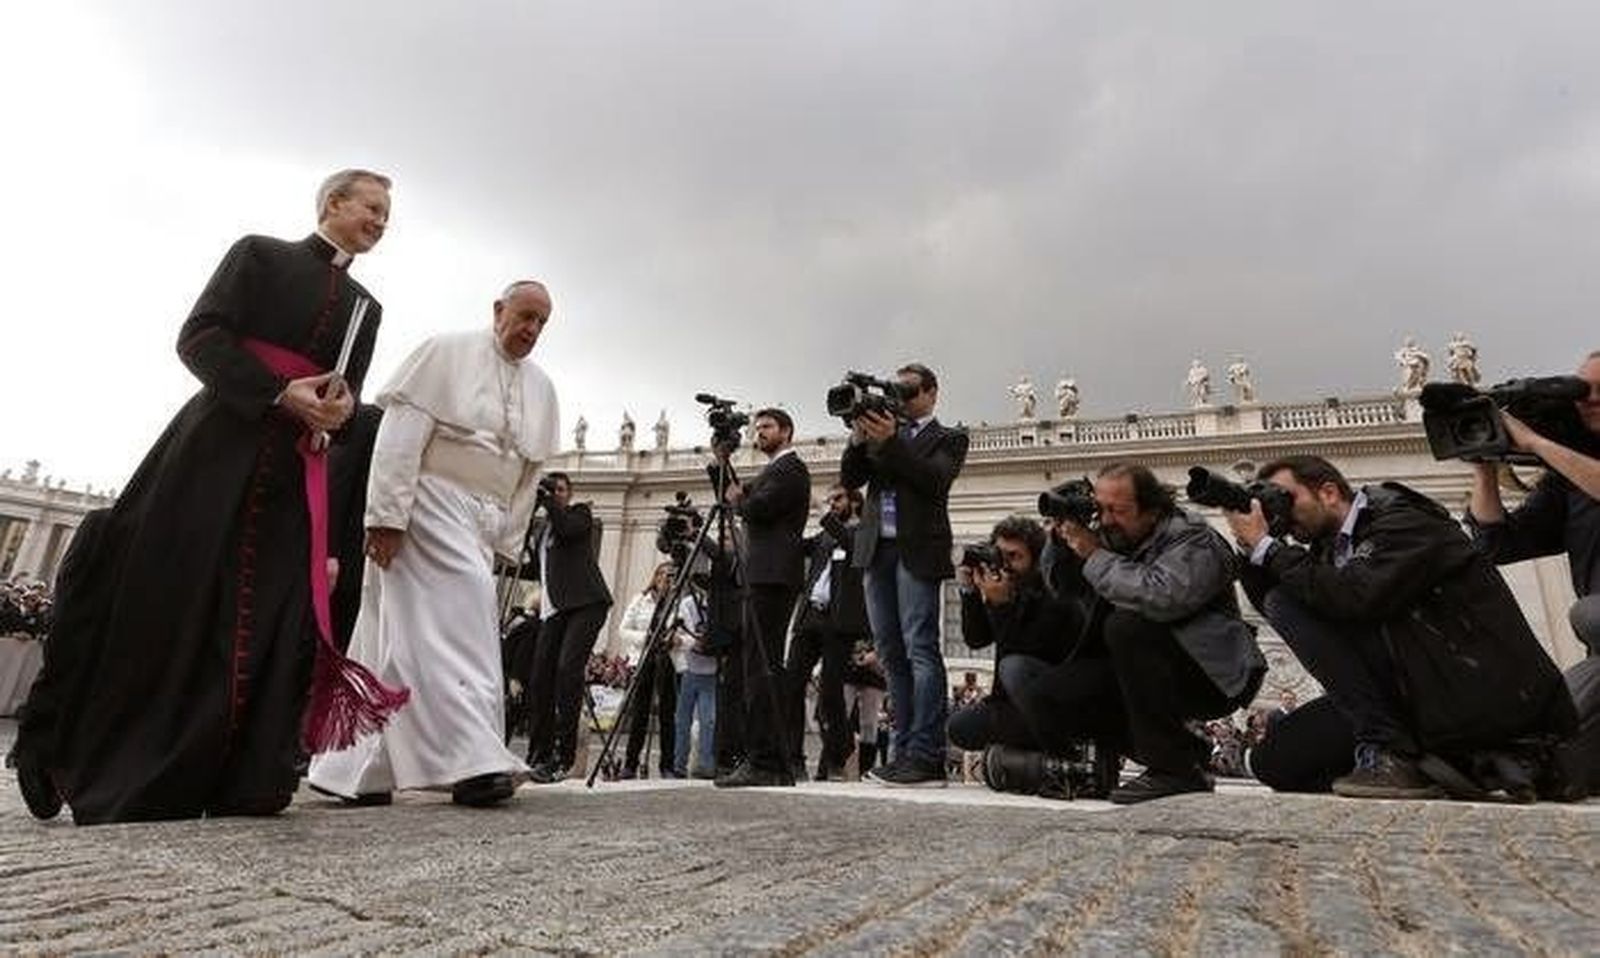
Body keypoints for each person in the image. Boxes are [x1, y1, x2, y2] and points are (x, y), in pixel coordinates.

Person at [13, 169, 403, 824]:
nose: (381, 221)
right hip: (214, 448)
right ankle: (71, 748)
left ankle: (239, 775)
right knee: (167, 596)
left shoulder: (370, 308)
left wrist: (334, 413)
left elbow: (346, 393)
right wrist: (278, 392)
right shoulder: (258, 254)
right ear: (332, 204)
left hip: (288, 477)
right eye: (372, 207)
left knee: (267, 616)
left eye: (387, 216)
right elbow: (198, 337)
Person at [306, 280, 560, 808]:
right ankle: (473, 761)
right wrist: (386, 516)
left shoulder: (541, 387)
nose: (532, 330)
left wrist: (504, 540)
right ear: (498, 310)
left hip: (479, 518)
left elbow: (526, 473)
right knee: (460, 627)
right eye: (525, 316)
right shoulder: (445, 353)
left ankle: (354, 769)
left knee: (398, 634)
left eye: (542, 322)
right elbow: (398, 438)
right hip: (431, 503)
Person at [1227, 455, 1575, 798]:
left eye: (1287, 499)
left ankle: (1403, 753)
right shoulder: (1323, 552)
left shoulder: (1404, 520)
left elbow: (1354, 596)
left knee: (1288, 604)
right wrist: (1252, 547)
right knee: (1273, 762)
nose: (1283, 511)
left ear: (1329, 493)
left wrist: (1269, 549)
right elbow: (1274, 603)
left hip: (1465, 686)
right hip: (1405, 694)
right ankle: (1435, 763)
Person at [1053, 463, 1266, 803]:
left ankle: (1173, 768)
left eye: (1117, 510)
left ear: (1151, 510)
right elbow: (1063, 591)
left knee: (1128, 624)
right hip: (1155, 663)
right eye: (1100, 508)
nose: (1105, 520)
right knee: (1056, 692)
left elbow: (1160, 596)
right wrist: (1062, 539)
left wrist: (1094, 554)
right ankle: (1184, 754)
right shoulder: (1115, 535)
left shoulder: (1193, 537)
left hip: (1213, 671)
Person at [840, 363, 969, 787]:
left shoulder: (949, 438)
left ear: (932, 393)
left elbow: (932, 480)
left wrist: (892, 440)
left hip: (917, 551)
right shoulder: (882, 434)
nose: (902, 399)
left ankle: (927, 753)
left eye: (909, 391)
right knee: (891, 655)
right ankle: (901, 752)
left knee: (920, 649)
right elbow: (851, 479)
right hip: (877, 550)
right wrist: (859, 438)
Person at [1465, 350, 1600, 655]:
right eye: (1581, 390)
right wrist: (1485, 467)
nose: (1590, 399)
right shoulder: (1567, 482)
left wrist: (1536, 444)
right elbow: (1497, 545)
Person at [716, 408, 811, 787]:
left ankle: (766, 759)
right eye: (757, 428)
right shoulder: (772, 471)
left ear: (787, 432)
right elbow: (734, 496)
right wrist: (722, 460)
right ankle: (762, 755)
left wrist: (740, 499)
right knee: (754, 664)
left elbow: (755, 507)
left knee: (762, 666)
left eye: (767, 427)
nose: (759, 433)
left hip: (773, 576)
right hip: (762, 574)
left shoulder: (791, 469)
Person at [946, 517, 1079, 756]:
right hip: (1009, 703)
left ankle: (1058, 752)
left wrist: (1001, 606)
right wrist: (970, 592)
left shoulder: (1054, 594)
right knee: (960, 726)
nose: (1004, 565)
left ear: (1036, 561)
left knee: (1013, 667)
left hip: (1048, 700)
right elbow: (976, 639)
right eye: (1000, 555)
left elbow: (1020, 653)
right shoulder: (1006, 589)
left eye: (1014, 557)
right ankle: (1025, 754)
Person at [524, 472, 614, 782]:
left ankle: (564, 756)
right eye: (551, 490)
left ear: (569, 493)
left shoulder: (580, 514)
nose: (556, 495)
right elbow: (530, 565)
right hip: (555, 609)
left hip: (587, 603)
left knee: (566, 670)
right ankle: (539, 753)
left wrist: (548, 501)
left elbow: (567, 527)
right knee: (539, 678)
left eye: (561, 490)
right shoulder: (542, 530)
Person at [785, 484, 869, 782]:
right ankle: (793, 757)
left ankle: (838, 755)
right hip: (810, 617)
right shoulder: (823, 536)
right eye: (830, 499)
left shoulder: (862, 532)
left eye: (838, 499)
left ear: (855, 503)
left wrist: (822, 512)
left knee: (831, 694)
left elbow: (850, 542)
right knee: (791, 683)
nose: (832, 503)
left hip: (839, 622)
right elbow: (796, 545)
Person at [616, 562, 679, 778]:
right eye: (662, 574)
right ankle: (630, 763)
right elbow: (623, 630)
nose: (666, 579)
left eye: (671, 576)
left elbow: (690, 634)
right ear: (655, 577)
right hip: (643, 658)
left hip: (668, 659)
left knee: (667, 714)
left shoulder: (680, 602)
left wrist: (678, 640)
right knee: (640, 713)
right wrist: (646, 639)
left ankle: (667, 765)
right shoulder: (640, 600)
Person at [671, 577, 720, 778]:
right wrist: (695, 642)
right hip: (689, 670)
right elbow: (681, 634)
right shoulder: (687, 604)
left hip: (711, 672)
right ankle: (679, 765)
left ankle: (706, 765)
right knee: (682, 720)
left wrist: (698, 642)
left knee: (709, 720)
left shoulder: (720, 606)